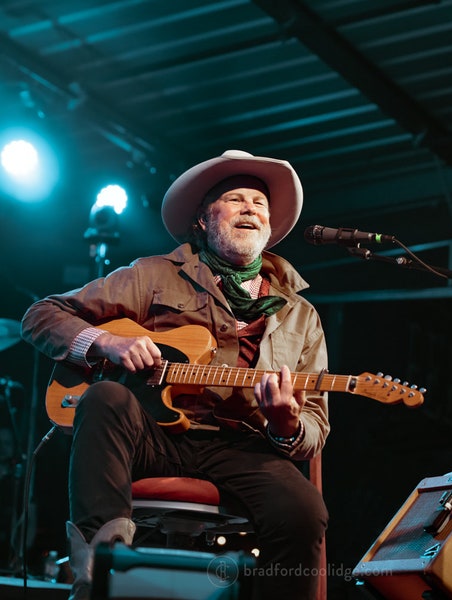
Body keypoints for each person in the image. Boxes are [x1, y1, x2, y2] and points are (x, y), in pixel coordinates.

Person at [20, 150, 330, 600]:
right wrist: (105, 343)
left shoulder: (302, 316)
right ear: (203, 220)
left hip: (241, 446)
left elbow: (315, 425)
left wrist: (285, 426)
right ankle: (96, 581)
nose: (250, 208)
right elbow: (41, 314)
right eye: (236, 199)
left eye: (259, 204)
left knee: (304, 512)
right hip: (150, 436)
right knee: (106, 396)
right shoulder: (154, 275)